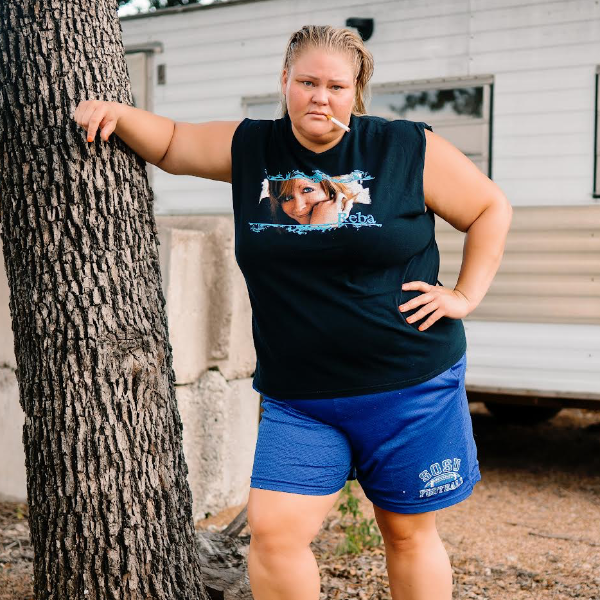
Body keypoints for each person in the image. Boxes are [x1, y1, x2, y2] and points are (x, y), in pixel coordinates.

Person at [73, 24, 512, 600]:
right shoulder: (254, 148)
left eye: (336, 86)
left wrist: (464, 295)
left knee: (406, 534)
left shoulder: (403, 147)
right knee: (275, 536)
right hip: (302, 397)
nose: (320, 97)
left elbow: (489, 208)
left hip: (410, 385)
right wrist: (118, 113)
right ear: (285, 81)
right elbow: (174, 142)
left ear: (356, 91)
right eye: (307, 82)